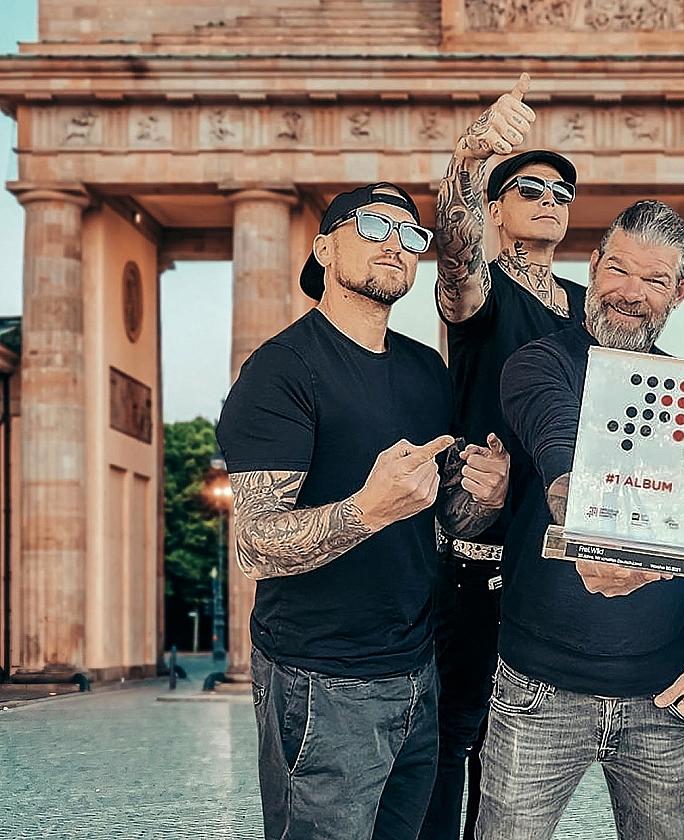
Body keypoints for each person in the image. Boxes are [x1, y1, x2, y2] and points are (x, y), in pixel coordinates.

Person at [216, 183, 511, 840]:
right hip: (320, 679)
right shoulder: (281, 370)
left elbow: (446, 518)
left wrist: (483, 498)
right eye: (375, 225)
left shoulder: (425, 370)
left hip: (417, 669)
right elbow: (256, 545)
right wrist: (366, 510)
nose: (395, 244)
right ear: (324, 248)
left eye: (411, 236)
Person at [476, 200, 684, 840]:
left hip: (662, 702)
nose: (631, 292)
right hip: (537, 694)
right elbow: (559, 440)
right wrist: (591, 535)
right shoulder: (539, 363)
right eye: (618, 269)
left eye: (654, 280)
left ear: (679, 293)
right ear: (593, 266)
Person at [420, 73, 586, 840]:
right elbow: (454, 251)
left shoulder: (586, 308)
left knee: (516, 746)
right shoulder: (480, 291)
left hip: (547, 554)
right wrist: (471, 157)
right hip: (473, 554)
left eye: (562, 192)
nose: (550, 199)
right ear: (494, 208)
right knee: (452, 733)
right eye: (530, 188)